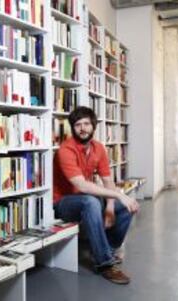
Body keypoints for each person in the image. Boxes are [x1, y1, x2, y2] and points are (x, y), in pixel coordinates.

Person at [53, 106, 139, 285]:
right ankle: (105, 264)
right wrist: (119, 195)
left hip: (86, 199)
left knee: (123, 206)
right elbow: (81, 185)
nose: (83, 128)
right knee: (92, 202)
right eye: (78, 125)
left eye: (86, 123)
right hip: (62, 202)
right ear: (72, 128)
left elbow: (107, 180)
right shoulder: (65, 150)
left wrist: (110, 206)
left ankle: (106, 249)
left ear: (93, 126)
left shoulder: (98, 148)